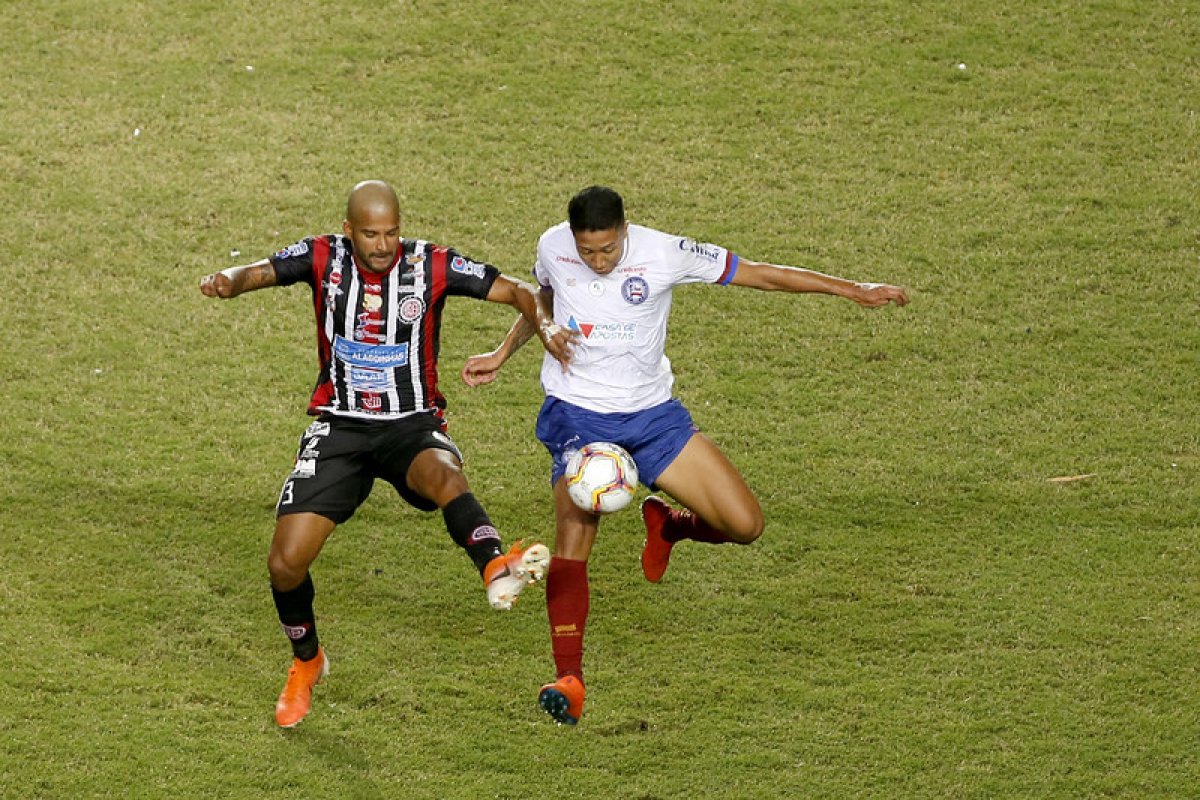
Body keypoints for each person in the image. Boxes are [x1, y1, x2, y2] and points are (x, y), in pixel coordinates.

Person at [461, 185, 909, 725]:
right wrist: (504, 351)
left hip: (653, 416)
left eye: (608, 250)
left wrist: (851, 290)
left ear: (626, 231)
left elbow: (762, 273)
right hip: (577, 414)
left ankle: (669, 526)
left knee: (746, 524)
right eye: (588, 252)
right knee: (574, 541)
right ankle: (569, 677)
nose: (598, 262)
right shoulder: (554, 245)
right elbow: (543, 297)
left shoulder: (664, 253)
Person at [199, 179, 571, 728]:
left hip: (410, 425)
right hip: (342, 427)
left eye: (391, 232)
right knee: (285, 563)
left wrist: (543, 328)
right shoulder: (322, 255)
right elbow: (259, 271)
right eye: (370, 234)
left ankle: (495, 563)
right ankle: (308, 663)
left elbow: (519, 290)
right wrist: (227, 282)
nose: (383, 244)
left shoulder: (432, 264)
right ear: (349, 230)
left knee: (445, 475)